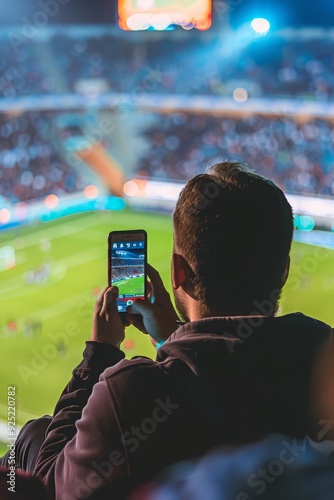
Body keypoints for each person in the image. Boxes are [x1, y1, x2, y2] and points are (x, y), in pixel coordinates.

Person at [3, 162, 333, 499]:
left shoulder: (131, 393)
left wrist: (98, 355)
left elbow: (48, 487)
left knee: (32, 435)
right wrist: (175, 336)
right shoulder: (323, 361)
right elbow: (235, 367)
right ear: (284, 271)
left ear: (177, 273)